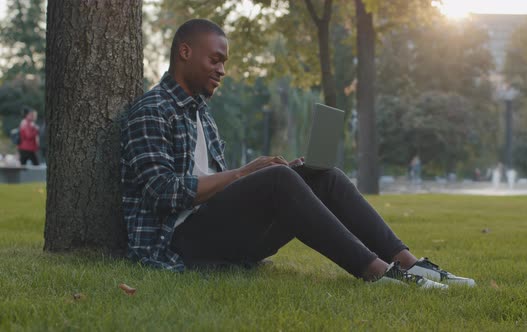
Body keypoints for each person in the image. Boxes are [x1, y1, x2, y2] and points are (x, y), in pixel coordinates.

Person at [120, 19, 475, 288]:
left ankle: (409, 263)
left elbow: (221, 191)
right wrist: (248, 173)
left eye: (224, 62)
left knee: (323, 175)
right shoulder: (153, 110)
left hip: (222, 237)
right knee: (275, 178)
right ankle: (381, 273)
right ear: (185, 52)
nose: (222, 70)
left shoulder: (202, 115)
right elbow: (163, 193)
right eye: (215, 59)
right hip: (178, 245)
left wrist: (280, 176)